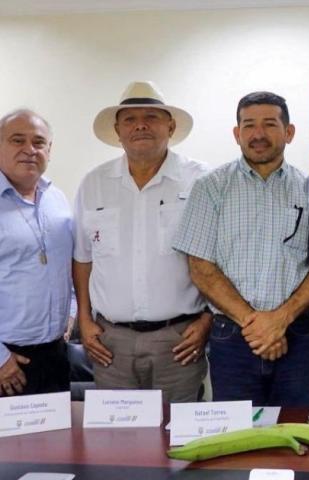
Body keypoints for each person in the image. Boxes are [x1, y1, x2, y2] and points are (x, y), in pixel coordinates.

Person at [173, 91, 309, 406]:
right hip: (232, 336)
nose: (258, 134)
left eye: (269, 124)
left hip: (296, 333)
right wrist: (256, 325)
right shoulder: (210, 187)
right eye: (248, 125)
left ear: (289, 132)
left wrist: (280, 320)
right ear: (237, 133)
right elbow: (201, 268)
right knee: (237, 437)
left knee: (297, 434)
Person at [73, 81, 210, 402]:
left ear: (171, 126)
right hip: (111, 342)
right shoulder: (94, 183)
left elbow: (223, 257)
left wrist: (208, 320)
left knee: (178, 438)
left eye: (151, 116)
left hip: (179, 340)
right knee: (119, 441)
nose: (141, 125)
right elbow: (83, 258)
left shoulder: (202, 181)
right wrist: (84, 319)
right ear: (118, 131)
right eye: (130, 119)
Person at [0, 109, 73, 396]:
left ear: (49, 150)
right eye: (17, 140)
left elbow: (69, 264)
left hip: (55, 354)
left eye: (38, 142)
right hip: (8, 361)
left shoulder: (57, 199)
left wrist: (71, 312)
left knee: (58, 440)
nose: (29, 150)